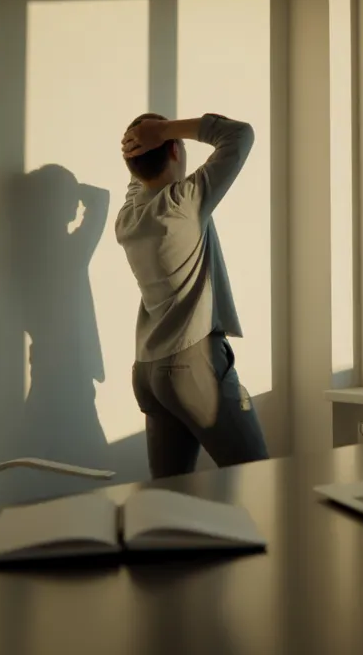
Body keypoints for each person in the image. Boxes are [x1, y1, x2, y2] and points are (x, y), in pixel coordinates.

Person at [115, 112, 270, 478]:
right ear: (172, 150)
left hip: (150, 372)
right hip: (192, 365)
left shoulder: (128, 217)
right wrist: (168, 130)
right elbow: (239, 135)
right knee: (260, 479)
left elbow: (138, 179)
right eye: (179, 144)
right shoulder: (183, 203)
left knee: (170, 499)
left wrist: (145, 143)